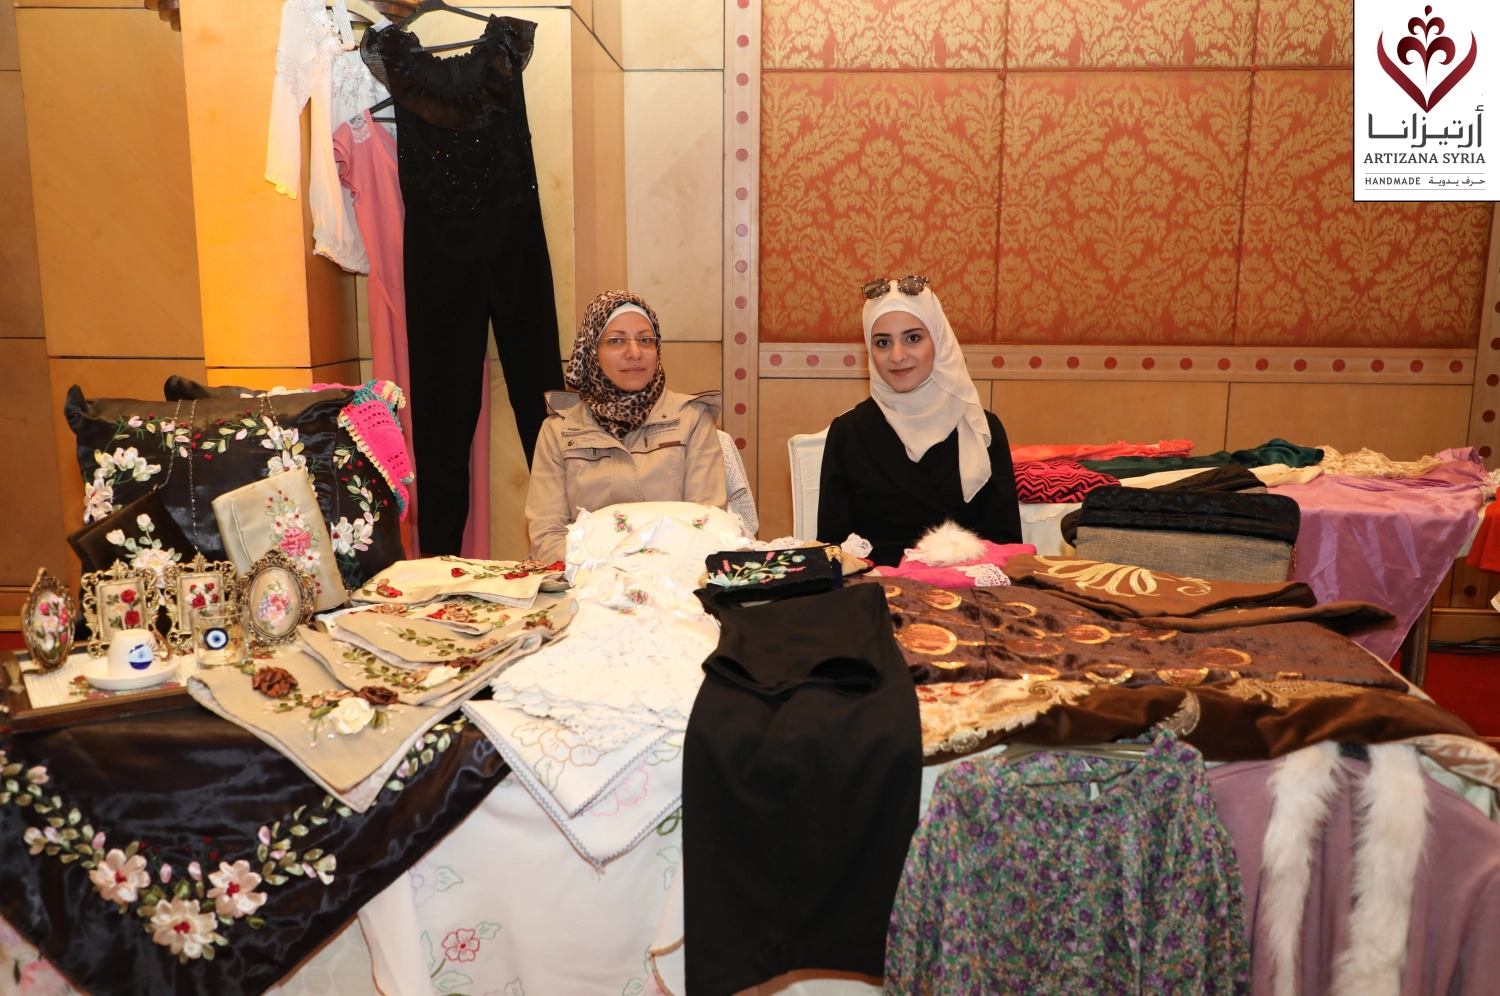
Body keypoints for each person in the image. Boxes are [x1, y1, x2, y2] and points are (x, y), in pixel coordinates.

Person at [817, 277, 1021, 565]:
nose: (898, 356)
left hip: (965, 585)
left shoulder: (980, 427)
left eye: (913, 338)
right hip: (877, 586)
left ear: (939, 341)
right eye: (883, 343)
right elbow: (833, 550)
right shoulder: (848, 433)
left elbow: (1007, 545)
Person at [526, 290, 728, 563]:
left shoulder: (692, 419)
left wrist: (642, 574)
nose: (634, 353)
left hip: (671, 577)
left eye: (645, 340)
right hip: (586, 579)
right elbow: (547, 537)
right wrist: (608, 574)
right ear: (591, 351)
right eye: (616, 340)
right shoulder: (558, 431)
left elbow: (706, 527)